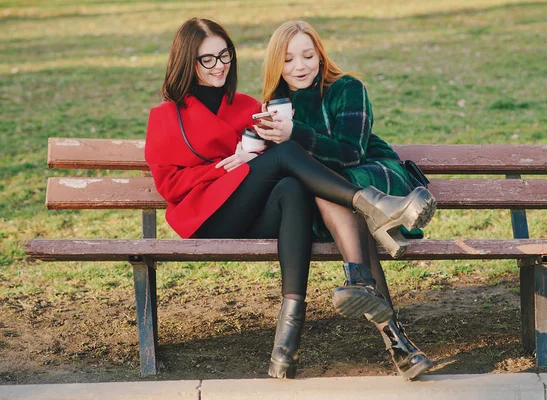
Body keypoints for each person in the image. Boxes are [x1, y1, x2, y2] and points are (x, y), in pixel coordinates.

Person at [145, 17, 434, 380]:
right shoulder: (165, 116)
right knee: (285, 156)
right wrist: (226, 168)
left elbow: (279, 166)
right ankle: (372, 203)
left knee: (295, 185)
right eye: (207, 59)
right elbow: (169, 187)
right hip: (206, 218)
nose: (219, 65)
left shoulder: (249, 106)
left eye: (224, 55)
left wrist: (258, 155)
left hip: (256, 214)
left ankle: (288, 348)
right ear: (187, 62)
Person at [256, 20, 436, 380]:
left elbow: (352, 153)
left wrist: (296, 135)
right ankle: (395, 337)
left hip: (373, 178)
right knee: (331, 193)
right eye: (289, 60)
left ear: (320, 56)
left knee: (337, 185)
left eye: (308, 56)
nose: (300, 66)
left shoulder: (348, 89)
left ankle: (364, 281)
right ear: (277, 65)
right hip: (332, 207)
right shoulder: (276, 107)